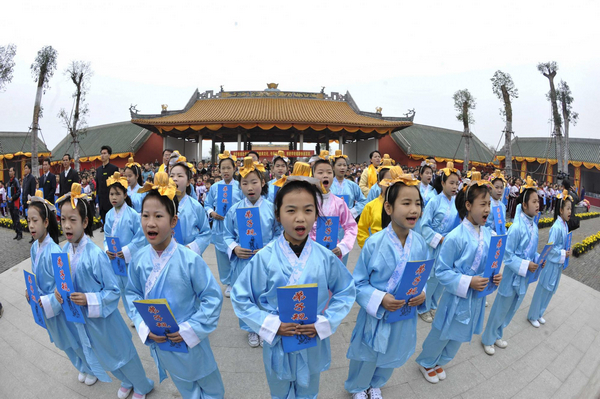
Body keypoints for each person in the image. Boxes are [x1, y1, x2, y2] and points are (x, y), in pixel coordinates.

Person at [231, 177, 356, 399]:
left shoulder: (325, 257)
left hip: (312, 336)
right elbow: (241, 297)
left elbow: (345, 291)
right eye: (291, 211)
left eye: (308, 210)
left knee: (309, 389)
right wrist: (270, 324)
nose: (300, 218)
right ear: (278, 215)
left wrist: (324, 322)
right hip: (278, 337)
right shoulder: (265, 258)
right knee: (279, 389)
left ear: (316, 215)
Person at [127, 173, 225, 399]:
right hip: (161, 338)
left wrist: (190, 329)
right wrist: (145, 327)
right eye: (145, 215)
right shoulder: (140, 260)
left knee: (209, 383)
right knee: (183, 383)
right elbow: (132, 294)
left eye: (158, 216)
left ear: (173, 222)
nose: (150, 223)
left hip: (190, 337)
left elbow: (212, 297)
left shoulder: (190, 260)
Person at [55, 184, 155, 398]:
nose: (67, 225)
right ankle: (127, 380)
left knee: (123, 353)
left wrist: (89, 299)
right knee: (104, 355)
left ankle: (143, 384)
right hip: (85, 320)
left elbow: (112, 291)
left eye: (73, 220)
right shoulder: (64, 251)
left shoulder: (95, 255)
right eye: (63, 219)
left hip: (105, 319)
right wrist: (59, 292)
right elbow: (64, 282)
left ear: (85, 222)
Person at [345, 173, 428, 399]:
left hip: (403, 312)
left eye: (418, 204)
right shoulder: (374, 243)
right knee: (367, 353)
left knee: (394, 349)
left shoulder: (419, 243)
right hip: (377, 314)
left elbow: (422, 276)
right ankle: (358, 386)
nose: (414, 210)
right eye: (406, 203)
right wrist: (380, 298)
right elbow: (359, 283)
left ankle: (376, 383)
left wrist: (423, 293)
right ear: (389, 208)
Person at [416, 172, 501, 384]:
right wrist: (468, 281)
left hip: (476, 297)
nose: (487, 209)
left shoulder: (488, 234)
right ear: (469, 205)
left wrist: (494, 277)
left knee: (461, 333)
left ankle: (440, 361)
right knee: (443, 331)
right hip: (456, 296)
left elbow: (490, 263)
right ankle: (426, 361)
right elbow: (443, 272)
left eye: (489, 204)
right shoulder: (455, 237)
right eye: (483, 204)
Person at [25, 190, 91, 385]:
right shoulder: (34, 248)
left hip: (58, 306)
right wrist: (31, 291)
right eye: (28, 221)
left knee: (72, 339)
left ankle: (89, 367)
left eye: (35, 220)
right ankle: (81, 366)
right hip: (45, 305)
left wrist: (47, 299)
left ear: (46, 222)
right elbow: (34, 277)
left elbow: (61, 284)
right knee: (62, 342)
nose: (30, 226)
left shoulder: (54, 250)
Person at [224, 157, 282, 343]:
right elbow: (226, 235)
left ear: (263, 183)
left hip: (266, 259)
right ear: (239, 186)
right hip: (243, 261)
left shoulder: (272, 209)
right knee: (246, 294)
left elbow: (279, 233)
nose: (250, 187)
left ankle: (266, 326)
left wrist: (268, 247)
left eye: (254, 182)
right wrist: (235, 248)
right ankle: (250, 328)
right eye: (245, 183)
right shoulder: (234, 210)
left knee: (266, 293)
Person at [481, 177, 540, 355]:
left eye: (539, 201)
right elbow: (507, 255)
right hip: (511, 276)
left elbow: (532, 251)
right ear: (524, 204)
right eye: (534, 201)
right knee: (501, 306)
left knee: (512, 307)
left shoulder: (534, 227)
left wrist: (538, 258)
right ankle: (487, 338)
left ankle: (498, 333)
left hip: (522, 276)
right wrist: (524, 264)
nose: (538, 205)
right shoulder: (516, 227)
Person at [416, 162, 460, 323]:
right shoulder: (434, 201)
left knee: (443, 277)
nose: (455, 186)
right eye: (451, 183)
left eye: (457, 183)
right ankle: (423, 307)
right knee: (430, 277)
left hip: (449, 246)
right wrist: (440, 238)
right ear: (442, 183)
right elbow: (424, 225)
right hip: (434, 246)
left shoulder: (457, 203)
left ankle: (433, 305)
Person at [104, 172, 147, 318]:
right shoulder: (109, 215)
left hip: (129, 258)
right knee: (121, 287)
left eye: (117, 194)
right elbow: (106, 236)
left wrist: (127, 250)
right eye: (111, 194)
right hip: (115, 258)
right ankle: (132, 315)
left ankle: (139, 315)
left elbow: (140, 237)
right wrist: (106, 249)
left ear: (125, 194)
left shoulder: (133, 215)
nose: (114, 197)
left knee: (133, 286)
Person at [527, 189, 572, 328]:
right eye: (568, 208)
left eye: (571, 209)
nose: (570, 211)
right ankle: (532, 315)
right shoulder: (556, 227)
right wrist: (564, 253)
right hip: (551, 264)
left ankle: (540, 313)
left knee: (550, 290)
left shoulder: (565, 226)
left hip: (557, 265)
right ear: (560, 210)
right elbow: (551, 249)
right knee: (543, 289)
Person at [310, 157, 358, 266]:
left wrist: (343, 246)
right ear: (313, 176)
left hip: (332, 254)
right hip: (309, 254)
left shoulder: (339, 203)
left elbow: (351, 227)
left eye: (329, 172)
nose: (325, 175)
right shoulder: (306, 202)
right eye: (320, 172)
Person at [205, 151, 242, 290]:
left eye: (228, 168)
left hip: (235, 227)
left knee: (236, 253)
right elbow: (207, 204)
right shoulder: (215, 187)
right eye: (223, 168)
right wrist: (212, 213)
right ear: (219, 170)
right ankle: (228, 282)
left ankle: (236, 280)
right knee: (222, 256)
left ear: (234, 168)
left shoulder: (239, 186)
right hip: (219, 226)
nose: (226, 171)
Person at [168, 151, 211, 256]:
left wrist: (191, 248)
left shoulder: (195, 206)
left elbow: (206, 232)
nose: (174, 179)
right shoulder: (163, 204)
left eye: (179, 176)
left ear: (188, 182)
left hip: (189, 255)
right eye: (172, 176)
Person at [357, 164, 396, 248]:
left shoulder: (401, 206)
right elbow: (361, 230)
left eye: (394, 180)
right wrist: (368, 248)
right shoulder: (370, 206)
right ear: (379, 184)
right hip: (376, 247)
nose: (391, 183)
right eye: (387, 180)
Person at [330, 150, 367, 220]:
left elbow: (363, 201)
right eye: (339, 165)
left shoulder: (353, 185)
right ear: (333, 167)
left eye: (344, 165)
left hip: (348, 220)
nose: (342, 167)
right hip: (331, 220)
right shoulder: (328, 185)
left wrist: (353, 212)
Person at [95, 145, 119, 230]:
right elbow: (97, 186)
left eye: (105, 153)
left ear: (109, 155)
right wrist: (97, 201)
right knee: (105, 223)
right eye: (101, 153)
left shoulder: (113, 169)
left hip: (111, 201)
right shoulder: (98, 170)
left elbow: (116, 186)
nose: (102, 155)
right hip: (101, 201)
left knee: (113, 224)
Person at [485, 170, 508, 235]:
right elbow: (483, 224)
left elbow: (503, 223)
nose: (499, 190)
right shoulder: (487, 204)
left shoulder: (502, 206)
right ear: (490, 188)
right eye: (496, 188)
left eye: (501, 188)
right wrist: (492, 233)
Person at [7, 167, 23, 240]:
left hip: (15, 202)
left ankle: (20, 233)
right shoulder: (9, 182)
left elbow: (19, 192)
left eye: (11, 171)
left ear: (14, 172)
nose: (10, 173)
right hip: (10, 203)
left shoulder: (16, 181)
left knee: (16, 219)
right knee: (13, 219)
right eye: (9, 171)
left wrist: (13, 197)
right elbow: (8, 191)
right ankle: (17, 232)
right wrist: (7, 196)